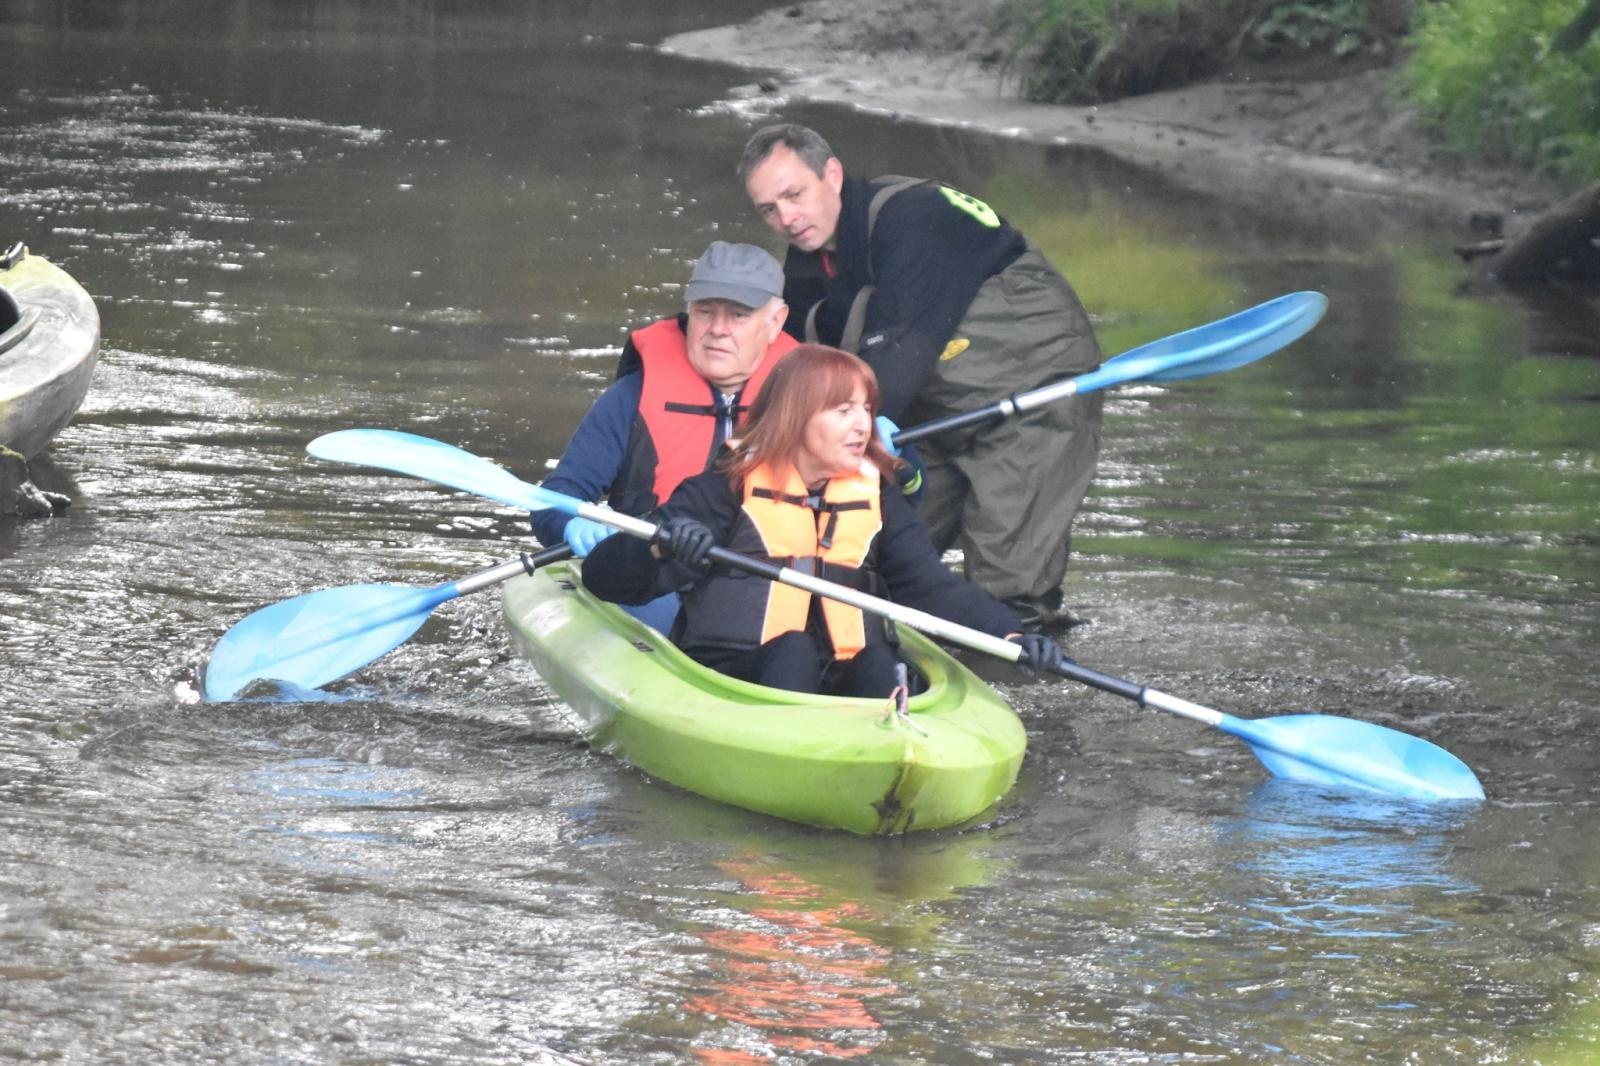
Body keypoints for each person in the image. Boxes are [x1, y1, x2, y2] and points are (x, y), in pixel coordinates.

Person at [737, 123, 1104, 630]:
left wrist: (861, 422)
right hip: (931, 411)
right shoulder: (810, 258)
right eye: (769, 209)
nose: (787, 218)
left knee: (1007, 584)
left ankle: (1023, 673)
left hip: (1031, 397)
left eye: (794, 195)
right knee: (868, 554)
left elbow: (904, 342)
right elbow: (795, 362)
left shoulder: (912, 216)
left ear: (833, 175)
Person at [581, 344, 1065, 698]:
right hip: (735, 678)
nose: (863, 426)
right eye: (843, 410)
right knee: (791, 648)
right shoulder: (722, 490)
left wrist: (1010, 634)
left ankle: (889, 750)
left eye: (866, 410)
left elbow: (930, 586)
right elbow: (604, 578)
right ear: (796, 417)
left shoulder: (877, 497)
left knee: (880, 661)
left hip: (838, 674)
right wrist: (660, 548)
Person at [528, 241, 797, 630]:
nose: (717, 330)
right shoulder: (632, 397)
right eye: (705, 311)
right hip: (655, 580)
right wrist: (572, 522)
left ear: (776, 322)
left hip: (769, 580)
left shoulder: (813, 402)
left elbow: (878, 507)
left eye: (738, 315)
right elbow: (554, 498)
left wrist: (904, 473)